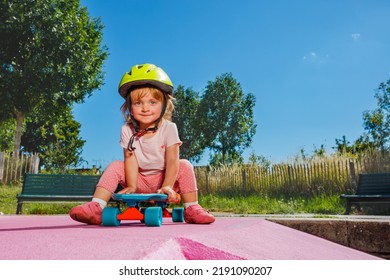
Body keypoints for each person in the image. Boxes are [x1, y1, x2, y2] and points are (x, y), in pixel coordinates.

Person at [69, 63, 215, 225]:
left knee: (185, 165)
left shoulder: (169, 128)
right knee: (117, 165)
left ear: (165, 104)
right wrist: (132, 185)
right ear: (130, 107)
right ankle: (96, 206)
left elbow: (172, 160)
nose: (145, 108)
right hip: (139, 180)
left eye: (153, 102)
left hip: (164, 179)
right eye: (138, 103)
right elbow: (130, 159)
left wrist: (167, 186)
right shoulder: (127, 130)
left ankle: (192, 208)